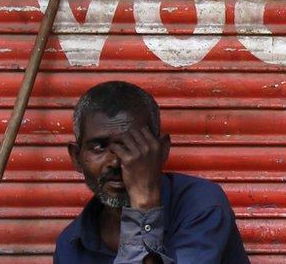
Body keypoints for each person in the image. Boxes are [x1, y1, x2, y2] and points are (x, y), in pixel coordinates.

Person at [54, 81, 250, 263]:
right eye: (99, 147)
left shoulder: (202, 205)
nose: (114, 161)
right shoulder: (72, 245)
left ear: (161, 150)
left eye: (131, 145)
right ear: (77, 157)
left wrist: (143, 204)